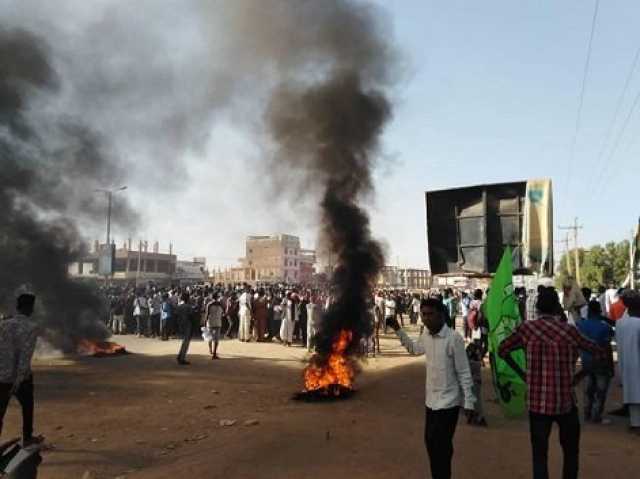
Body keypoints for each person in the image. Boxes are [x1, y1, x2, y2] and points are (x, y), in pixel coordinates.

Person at [499, 287, 603, 479]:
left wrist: (523, 374)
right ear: (557, 307)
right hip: (565, 402)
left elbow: (502, 350)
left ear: (537, 307)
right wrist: (581, 375)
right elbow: (598, 352)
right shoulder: (570, 331)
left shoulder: (527, 329)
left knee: (539, 456)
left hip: (537, 403)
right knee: (571, 453)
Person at [388, 299, 475, 479]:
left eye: (430, 314)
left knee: (442, 448)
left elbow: (464, 372)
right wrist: (398, 329)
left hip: (449, 403)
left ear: (441, 315)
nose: (426, 319)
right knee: (430, 443)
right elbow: (414, 349)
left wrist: (469, 402)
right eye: (423, 314)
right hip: (431, 402)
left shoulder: (453, 339)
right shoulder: (426, 335)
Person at [0, 293, 41, 447]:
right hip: (20, 378)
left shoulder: (3, 324)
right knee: (27, 406)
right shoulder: (31, 327)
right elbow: (25, 355)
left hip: (1, 375)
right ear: (29, 307)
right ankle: (27, 437)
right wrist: (18, 380)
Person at [576, 300, 614, 424]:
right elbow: (607, 346)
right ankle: (596, 415)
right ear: (599, 311)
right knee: (600, 390)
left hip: (586, 362)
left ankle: (587, 413)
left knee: (588, 389)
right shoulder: (605, 327)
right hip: (601, 362)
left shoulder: (580, 325)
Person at [615, 290, 640, 435]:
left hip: (627, 363)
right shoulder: (637, 324)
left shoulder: (620, 323)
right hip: (637, 362)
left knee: (633, 393)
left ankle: (635, 423)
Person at [176, 293, 194, 365]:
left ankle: (180, 356)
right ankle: (182, 358)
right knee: (186, 342)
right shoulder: (188, 307)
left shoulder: (179, 306)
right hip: (187, 324)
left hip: (181, 324)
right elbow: (191, 316)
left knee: (184, 341)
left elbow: (176, 315)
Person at [205, 294, 224, 359]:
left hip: (210, 322)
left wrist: (205, 323)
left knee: (210, 337)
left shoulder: (209, 304)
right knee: (216, 339)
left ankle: (210, 350)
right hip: (218, 322)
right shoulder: (220, 304)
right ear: (217, 297)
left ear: (212, 297)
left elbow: (207, 314)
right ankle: (214, 353)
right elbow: (223, 313)